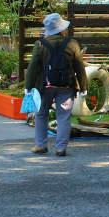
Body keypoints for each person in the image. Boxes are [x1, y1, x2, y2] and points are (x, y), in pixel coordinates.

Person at [24, 13, 87, 156]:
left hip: (44, 87)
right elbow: (79, 67)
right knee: (63, 116)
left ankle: (41, 145)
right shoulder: (72, 43)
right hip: (66, 86)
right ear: (62, 28)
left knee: (41, 114)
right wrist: (83, 86)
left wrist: (28, 86)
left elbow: (33, 67)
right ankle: (61, 148)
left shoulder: (40, 44)